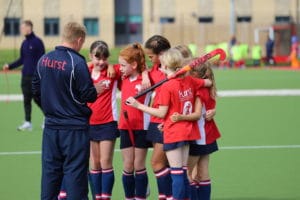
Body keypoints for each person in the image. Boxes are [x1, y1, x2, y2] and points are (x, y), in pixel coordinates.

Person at [126, 48, 212, 199]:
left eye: (162, 65)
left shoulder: (167, 86)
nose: (160, 67)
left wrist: (138, 105)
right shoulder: (189, 80)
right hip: (188, 132)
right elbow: (208, 82)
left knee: (177, 173)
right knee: (184, 171)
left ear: (167, 67)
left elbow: (161, 113)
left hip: (174, 132)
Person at [32, 22, 103, 200]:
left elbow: (35, 90)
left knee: (50, 176)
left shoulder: (44, 59)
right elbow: (88, 95)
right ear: (79, 40)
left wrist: (50, 110)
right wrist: (97, 90)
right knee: (75, 177)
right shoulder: (77, 62)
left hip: (51, 127)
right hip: (74, 129)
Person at [170, 62, 221, 200]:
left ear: (198, 76)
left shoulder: (198, 89)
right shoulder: (208, 88)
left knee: (188, 173)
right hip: (208, 135)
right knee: (203, 172)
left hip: (198, 136)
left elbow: (196, 113)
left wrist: (179, 117)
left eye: (190, 73)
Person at [118, 43, 152, 200]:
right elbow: (104, 67)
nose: (120, 68)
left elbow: (148, 71)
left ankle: (140, 197)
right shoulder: (123, 77)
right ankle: (129, 197)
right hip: (125, 127)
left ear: (134, 64)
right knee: (127, 165)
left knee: (139, 165)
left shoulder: (147, 80)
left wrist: (145, 74)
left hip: (141, 128)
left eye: (123, 65)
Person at [144, 35, 173, 200]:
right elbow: (139, 65)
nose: (150, 59)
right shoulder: (154, 69)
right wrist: (145, 74)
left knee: (157, 163)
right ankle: (168, 195)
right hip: (154, 121)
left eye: (151, 56)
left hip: (166, 122)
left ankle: (167, 196)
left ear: (162, 54)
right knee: (163, 163)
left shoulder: (173, 71)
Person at [2, 20, 45, 131]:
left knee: (37, 99)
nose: (21, 30)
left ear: (29, 27)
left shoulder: (38, 42)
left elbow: (43, 60)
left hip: (35, 77)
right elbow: (22, 59)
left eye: (22, 27)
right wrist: (9, 66)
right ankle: (27, 122)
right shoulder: (24, 43)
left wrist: (41, 74)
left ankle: (48, 118)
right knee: (26, 99)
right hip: (25, 76)